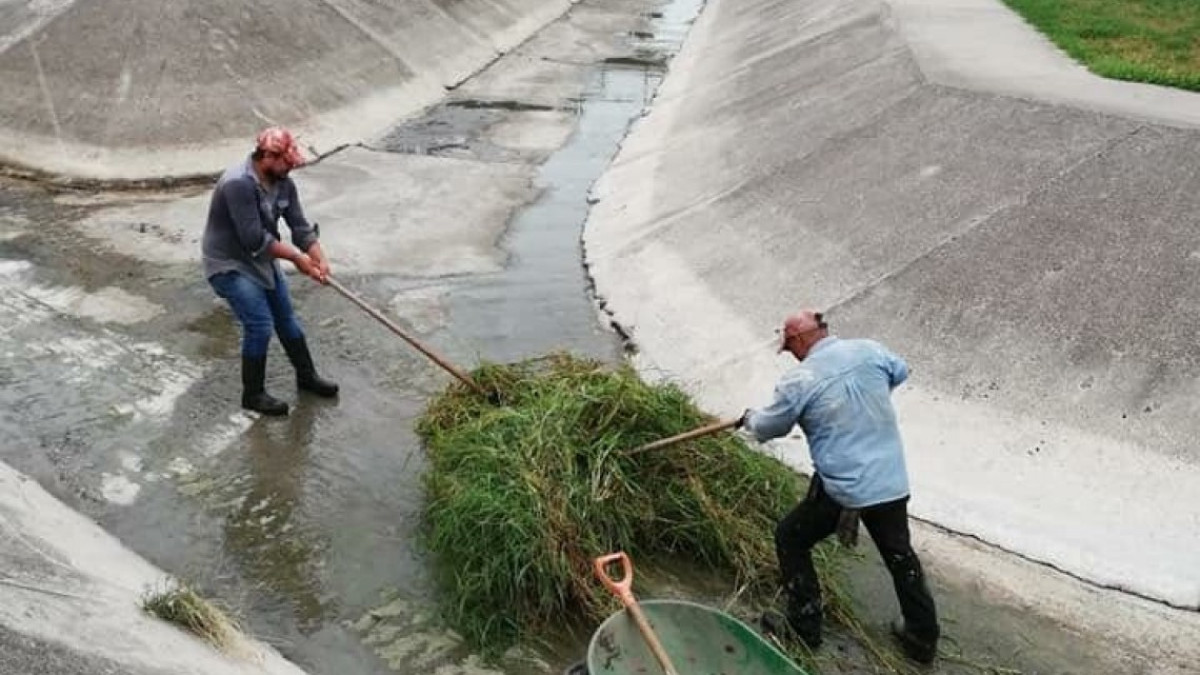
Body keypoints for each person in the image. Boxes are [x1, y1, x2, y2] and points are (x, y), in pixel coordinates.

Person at [737, 310, 939, 663]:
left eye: (790, 348)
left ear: (799, 339)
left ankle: (804, 626)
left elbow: (768, 428)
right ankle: (922, 637)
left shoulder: (799, 380)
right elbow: (900, 371)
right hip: (890, 480)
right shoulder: (870, 351)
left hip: (846, 490)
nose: (792, 354)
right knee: (899, 555)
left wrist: (750, 418)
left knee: (791, 537)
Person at [202, 126, 339, 416]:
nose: (290, 167)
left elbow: (300, 227)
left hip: (261, 259)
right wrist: (298, 259)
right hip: (229, 263)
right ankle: (252, 394)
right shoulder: (237, 184)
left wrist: (318, 256)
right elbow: (254, 239)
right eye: (286, 162)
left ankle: (306, 376)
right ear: (267, 156)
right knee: (260, 324)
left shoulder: (283, 182)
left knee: (286, 317)